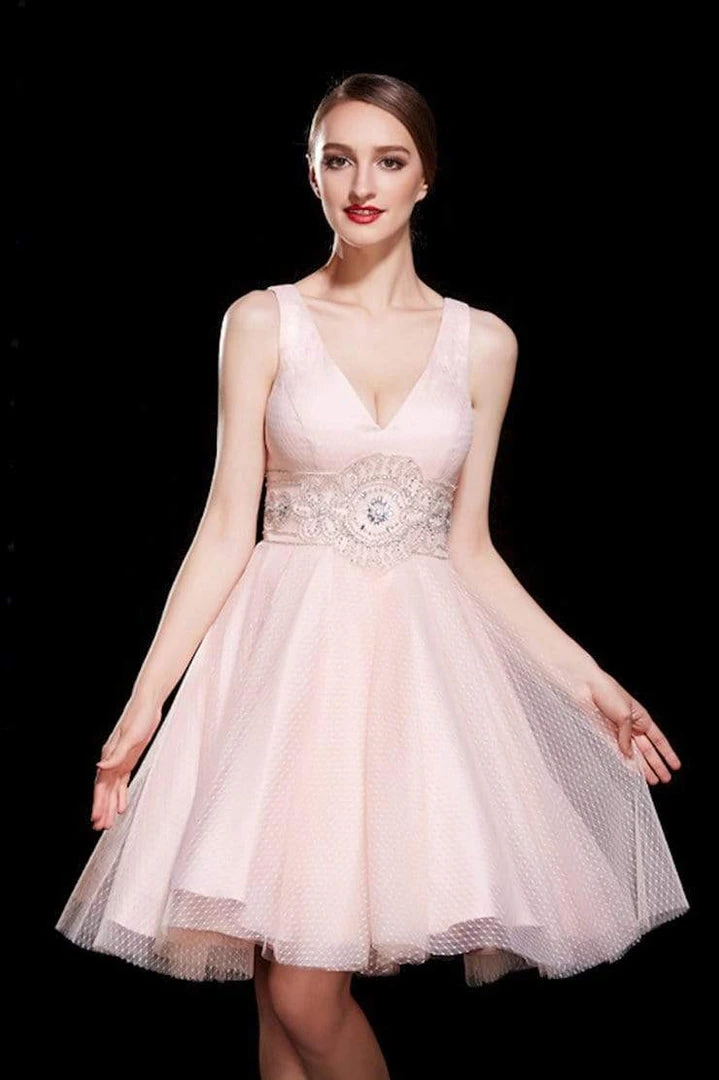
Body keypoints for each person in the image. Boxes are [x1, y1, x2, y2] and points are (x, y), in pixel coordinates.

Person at [55, 73, 690, 1080]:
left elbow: (469, 549)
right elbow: (223, 527)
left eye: (388, 161)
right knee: (282, 993)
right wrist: (145, 707)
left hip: (405, 687)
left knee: (300, 993)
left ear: (424, 178)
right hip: (278, 677)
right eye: (338, 160)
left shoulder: (483, 343)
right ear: (310, 175)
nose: (362, 185)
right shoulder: (261, 322)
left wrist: (589, 683)